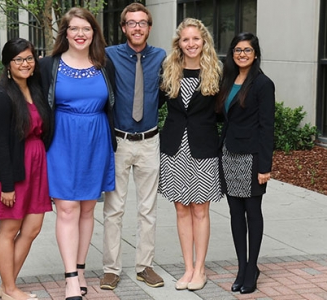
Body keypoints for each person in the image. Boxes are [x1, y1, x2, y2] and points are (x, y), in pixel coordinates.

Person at [39, 7, 116, 300]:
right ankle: (71, 278)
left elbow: (113, 105)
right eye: (74, 29)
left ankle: (81, 269)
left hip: (96, 141)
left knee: (87, 209)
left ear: (93, 33)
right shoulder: (49, 66)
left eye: (86, 29)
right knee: (67, 208)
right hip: (61, 141)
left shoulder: (104, 65)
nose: (80, 34)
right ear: (66, 33)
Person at [100, 2, 166, 290]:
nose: (137, 27)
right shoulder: (109, 56)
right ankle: (111, 269)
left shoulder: (161, 56)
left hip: (150, 141)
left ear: (149, 27)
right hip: (119, 142)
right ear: (124, 27)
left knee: (147, 209)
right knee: (113, 210)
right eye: (131, 22)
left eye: (142, 22)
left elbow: (162, 94)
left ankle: (144, 266)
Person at [0, 38, 52, 300]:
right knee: (9, 231)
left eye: (29, 58)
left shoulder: (35, 90)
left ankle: (7, 285)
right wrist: (7, 186)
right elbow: (1, 145)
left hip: (37, 165)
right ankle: (10, 288)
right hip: (14, 167)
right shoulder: (1, 97)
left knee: (32, 228)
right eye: (18, 59)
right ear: (8, 64)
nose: (25, 63)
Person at [158, 18, 223, 291]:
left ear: (204, 41)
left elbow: (226, 112)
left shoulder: (217, 72)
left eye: (196, 38)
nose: (191, 43)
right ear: (179, 43)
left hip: (204, 148)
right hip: (174, 148)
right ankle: (187, 268)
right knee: (181, 208)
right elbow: (151, 104)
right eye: (186, 39)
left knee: (200, 209)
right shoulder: (169, 70)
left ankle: (200, 269)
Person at [216, 32, 275, 294]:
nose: (242, 54)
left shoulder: (263, 84)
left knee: (253, 213)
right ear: (232, 53)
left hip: (251, 159)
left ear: (256, 54)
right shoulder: (228, 80)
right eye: (238, 50)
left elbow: (267, 128)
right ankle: (242, 267)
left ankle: (252, 268)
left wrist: (265, 166)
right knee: (235, 214)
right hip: (229, 154)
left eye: (247, 50)